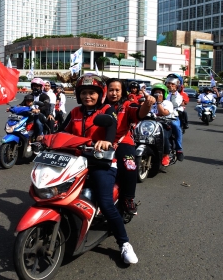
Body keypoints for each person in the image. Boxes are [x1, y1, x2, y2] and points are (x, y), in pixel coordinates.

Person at [56, 73, 138, 264]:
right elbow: (62, 130)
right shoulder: (76, 112)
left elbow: (111, 125)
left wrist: (107, 142)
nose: (88, 97)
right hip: (76, 162)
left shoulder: (107, 109)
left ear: (100, 94)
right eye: (84, 92)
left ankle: (124, 243)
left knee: (106, 202)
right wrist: (46, 138)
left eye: (92, 93)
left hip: (102, 162)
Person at [104, 78, 151, 216]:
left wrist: (147, 105)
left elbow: (139, 113)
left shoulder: (127, 104)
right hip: (101, 142)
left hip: (123, 142)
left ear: (122, 91)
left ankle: (128, 198)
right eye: (111, 90)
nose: (114, 93)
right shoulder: (99, 105)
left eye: (117, 90)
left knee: (129, 166)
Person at [146, 84, 174, 166]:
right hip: (150, 124)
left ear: (164, 94)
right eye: (156, 93)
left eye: (160, 93)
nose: (158, 94)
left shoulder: (167, 103)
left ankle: (166, 155)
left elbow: (163, 113)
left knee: (163, 136)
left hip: (163, 124)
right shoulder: (150, 102)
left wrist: (158, 103)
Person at [164, 76, 184, 161]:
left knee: (176, 127)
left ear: (176, 86)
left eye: (172, 84)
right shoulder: (162, 92)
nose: (170, 85)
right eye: (168, 83)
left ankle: (179, 149)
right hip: (160, 116)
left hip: (171, 117)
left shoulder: (178, 96)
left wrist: (172, 94)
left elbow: (175, 104)